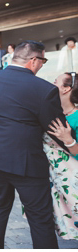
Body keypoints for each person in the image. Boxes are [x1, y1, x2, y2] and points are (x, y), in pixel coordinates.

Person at [0, 40, 78, 248]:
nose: (43, 65)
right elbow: (56, 130)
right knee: (39, 217)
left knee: (0, 203)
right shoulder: (43, 89)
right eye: (43, 60)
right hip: (25, 163)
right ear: (33, 60)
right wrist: (72, 148)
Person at [45, 74, 78, 241]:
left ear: (66, 89)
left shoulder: (77, 117)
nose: (52, 83)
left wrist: (69, 140)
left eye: (55, 81)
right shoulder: (51, 112)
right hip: (57, 180)